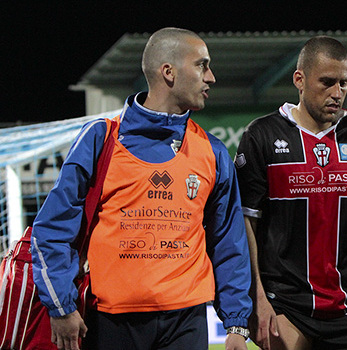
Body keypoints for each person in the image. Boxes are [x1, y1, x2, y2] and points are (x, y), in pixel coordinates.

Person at [31, 27, 252, 350]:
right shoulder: (100, 138)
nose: (212, 77)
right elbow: (52, 227)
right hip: (111, 321)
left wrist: (236, 323)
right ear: (169, 72)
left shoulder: (213, 151)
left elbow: (228, 241)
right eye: (202, 65)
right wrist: (61, 306)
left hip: (186, 321)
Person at [234, 36, 347, 349]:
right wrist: (257, 296)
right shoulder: (262, 135)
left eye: (344, 83)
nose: (337, 93)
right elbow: (247, 222)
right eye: (327, 82)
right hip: (286, 302)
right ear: (299, 80)